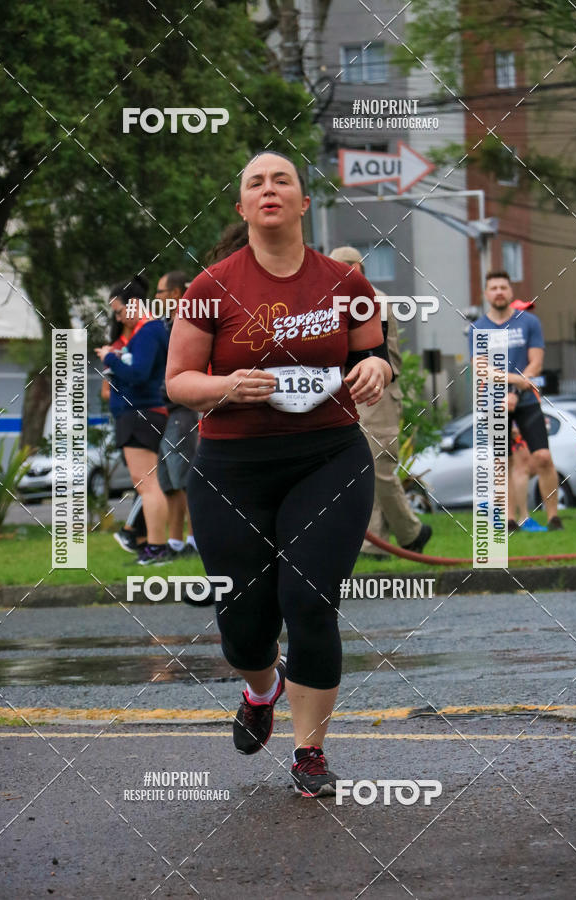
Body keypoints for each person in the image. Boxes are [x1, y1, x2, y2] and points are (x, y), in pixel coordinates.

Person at [165, 150, 392, 797]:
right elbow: (178, 381)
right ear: (242, 207)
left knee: (310, 601)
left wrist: (377, 368)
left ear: (303, 203)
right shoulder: (210, 289)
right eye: (255, 182)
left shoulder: (345, 282)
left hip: (329, 457)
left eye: (282, 180)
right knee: (245, 619)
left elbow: (371, 354)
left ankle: (309, 754)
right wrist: (228, 384)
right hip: (232, 468)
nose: (269, 189)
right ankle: (260, 689)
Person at [329, 246, 432, 557]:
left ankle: (405, 533)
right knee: (363, 467)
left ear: (356, 267)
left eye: (343, 268)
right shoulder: (345, 300)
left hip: (379, 391)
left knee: (378, 467)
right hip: (355, 390)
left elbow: (369, 352)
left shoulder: (372, 300)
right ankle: (384, 539)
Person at [468, 271, 562, 532]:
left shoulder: (529, 322)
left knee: (542, 457)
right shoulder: (478, 329)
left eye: (503, 287)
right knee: (502, 461)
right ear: (486, 294)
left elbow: (536, 363)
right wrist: (511, 383)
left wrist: (515, 392)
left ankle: (554, 518)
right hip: (493, 404)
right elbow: (481, 369)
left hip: (527, 401)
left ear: (510, 292)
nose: (499, 291)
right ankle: (509, 519)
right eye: (493, 288)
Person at [95, 275, 172, 564]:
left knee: (147, 484)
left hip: (140, 412)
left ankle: (157, 547)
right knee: (145, 483)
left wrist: (110, 359)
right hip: (136, 413)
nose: (117, 317)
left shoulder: (149, 331)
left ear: (135, 304)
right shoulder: (145, 332)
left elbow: (139, 374)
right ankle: (146, 544)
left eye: (119, 310)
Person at [154, 270, 200, 558]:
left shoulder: (188, 322)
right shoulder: (165, 324)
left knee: (185, 479)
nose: (155, 298)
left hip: (184, 410)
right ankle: (174, 543)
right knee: (168, 481)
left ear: (173, 294)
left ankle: (196, 542)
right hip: (165, 410)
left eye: (159, 292)